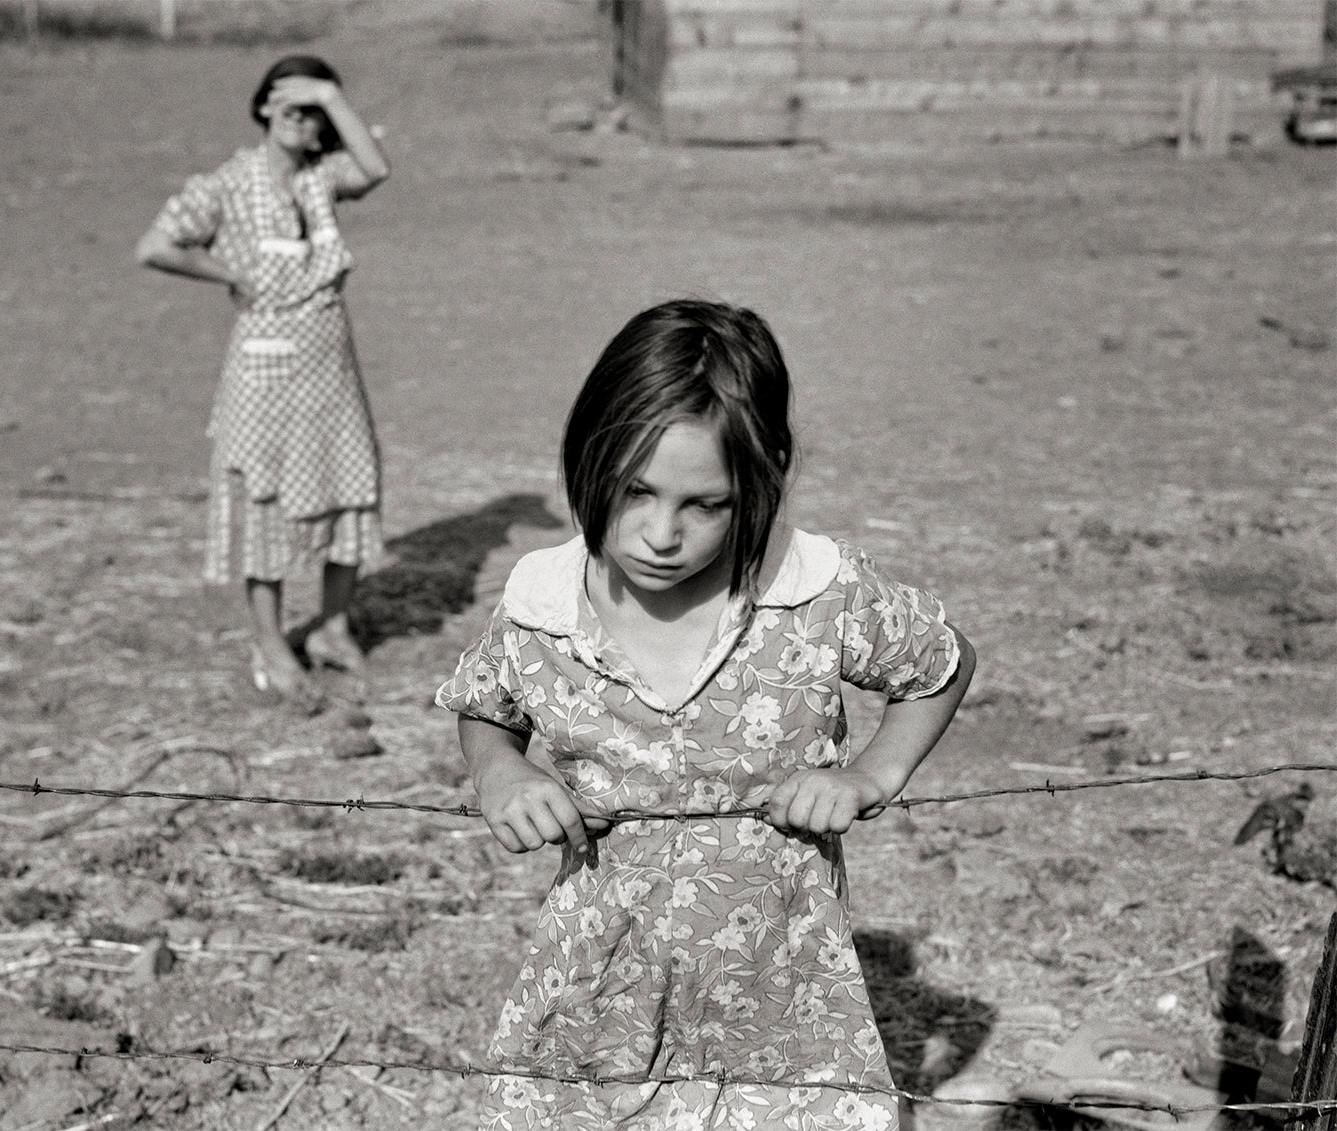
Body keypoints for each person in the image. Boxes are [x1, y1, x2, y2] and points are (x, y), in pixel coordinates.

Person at [436, 298, 977, 1130]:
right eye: (635, 491)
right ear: (588, 457)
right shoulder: (544, 605)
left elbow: (940, 663)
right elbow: (484, 704)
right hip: (598, 995)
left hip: (784, 1004)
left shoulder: (812, 594)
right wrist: (499, 768)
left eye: (706, 504)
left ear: (759, 482)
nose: (661, 532)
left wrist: (873, 771)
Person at [136, 54, 390, 706]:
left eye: (314, 114)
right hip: (264, 367)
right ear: (265, 108)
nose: (304, 122)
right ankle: (270, 640)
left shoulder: (321, 179)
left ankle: (332, 627)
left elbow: (376, 168)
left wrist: (332, 95)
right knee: (265, 505)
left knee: (348, 483)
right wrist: (229, 274)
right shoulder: (226, 184)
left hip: (330, 361)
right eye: (292, 108)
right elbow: (156, 245)